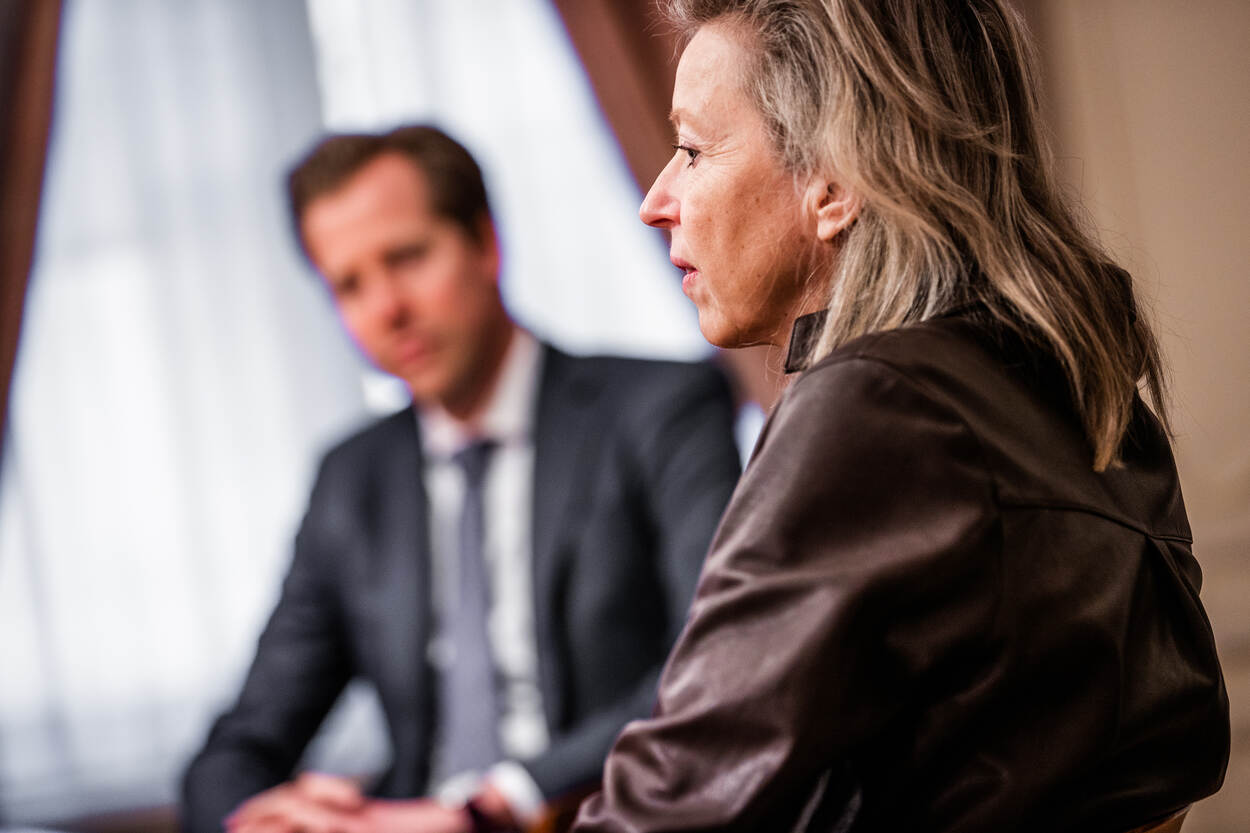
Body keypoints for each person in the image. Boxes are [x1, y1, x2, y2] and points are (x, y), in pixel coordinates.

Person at [571, 1, 1230, 831]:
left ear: (833, 184)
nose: (655, 199)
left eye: (694, 150)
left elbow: (670, 809)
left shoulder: (879, 408)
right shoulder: (1090, 396)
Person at [180, 125, 742, 833]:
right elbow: (242, 741)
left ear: (485, 242)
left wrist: (490, 808)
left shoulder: (660, 410)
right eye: (349, 285)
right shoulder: (352, 480)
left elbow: (714, 663)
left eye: (407, 258)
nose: (386, 308)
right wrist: (257, 817)